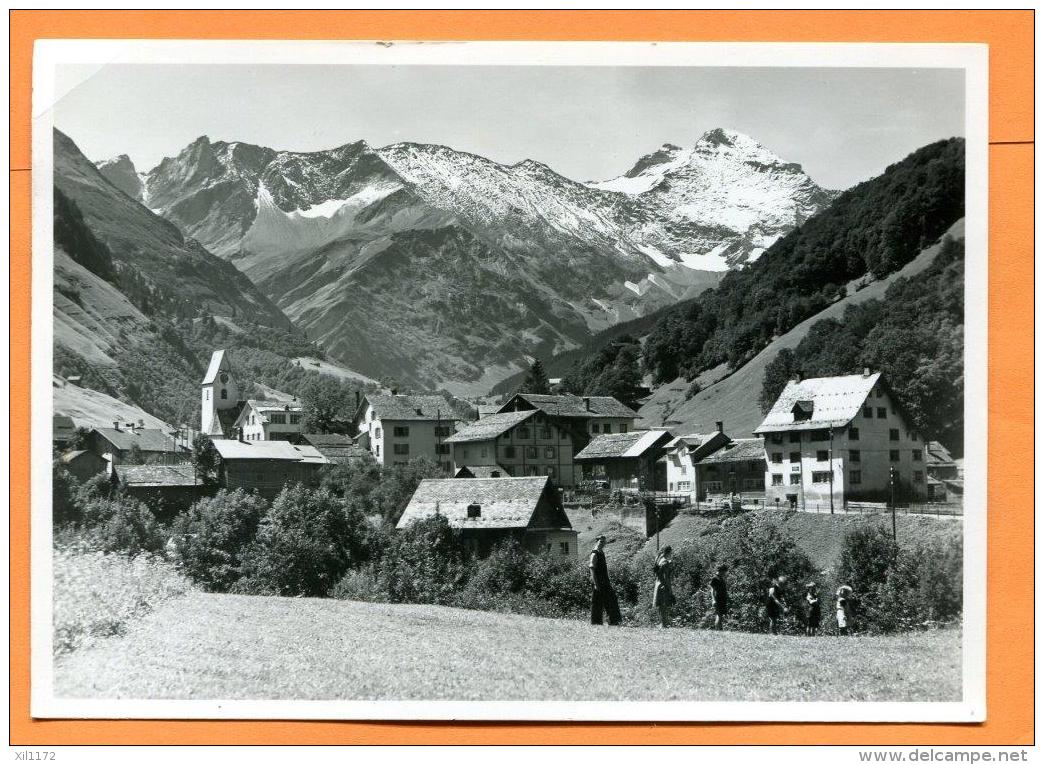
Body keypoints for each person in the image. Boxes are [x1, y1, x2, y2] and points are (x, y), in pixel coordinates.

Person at [589, 536, 621, 626]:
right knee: (597, 602)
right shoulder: (595, 553)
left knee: (610, 599)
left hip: (604, 580)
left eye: (604, 542)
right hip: (598, 581)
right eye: (601, 541)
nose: (602, 543)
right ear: (597, 541)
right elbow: (591, 567)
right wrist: (595, 583)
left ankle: (613, 621)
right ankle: (596, 622)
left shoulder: (601, 552)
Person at [652, 546, 675, 628]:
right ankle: (664, 624)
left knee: (660, 605)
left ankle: (662, 623)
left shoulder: (658, 559)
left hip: (657, 583)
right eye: (671, 553)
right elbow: (666, 577)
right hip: (663, 585)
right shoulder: (665, 562)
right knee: (664, 605)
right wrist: (669, 589)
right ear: (669, 552)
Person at [709, 564, 729, 630]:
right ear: (722, 571)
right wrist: (713, 600)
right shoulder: (715, 578)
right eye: (725, 571)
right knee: (719, 615)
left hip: (723, 599)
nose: (726, 573)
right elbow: (712, 590)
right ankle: (718, 630)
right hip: (718, 599)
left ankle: (720, 629)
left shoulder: (721, 578)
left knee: (721, 615)